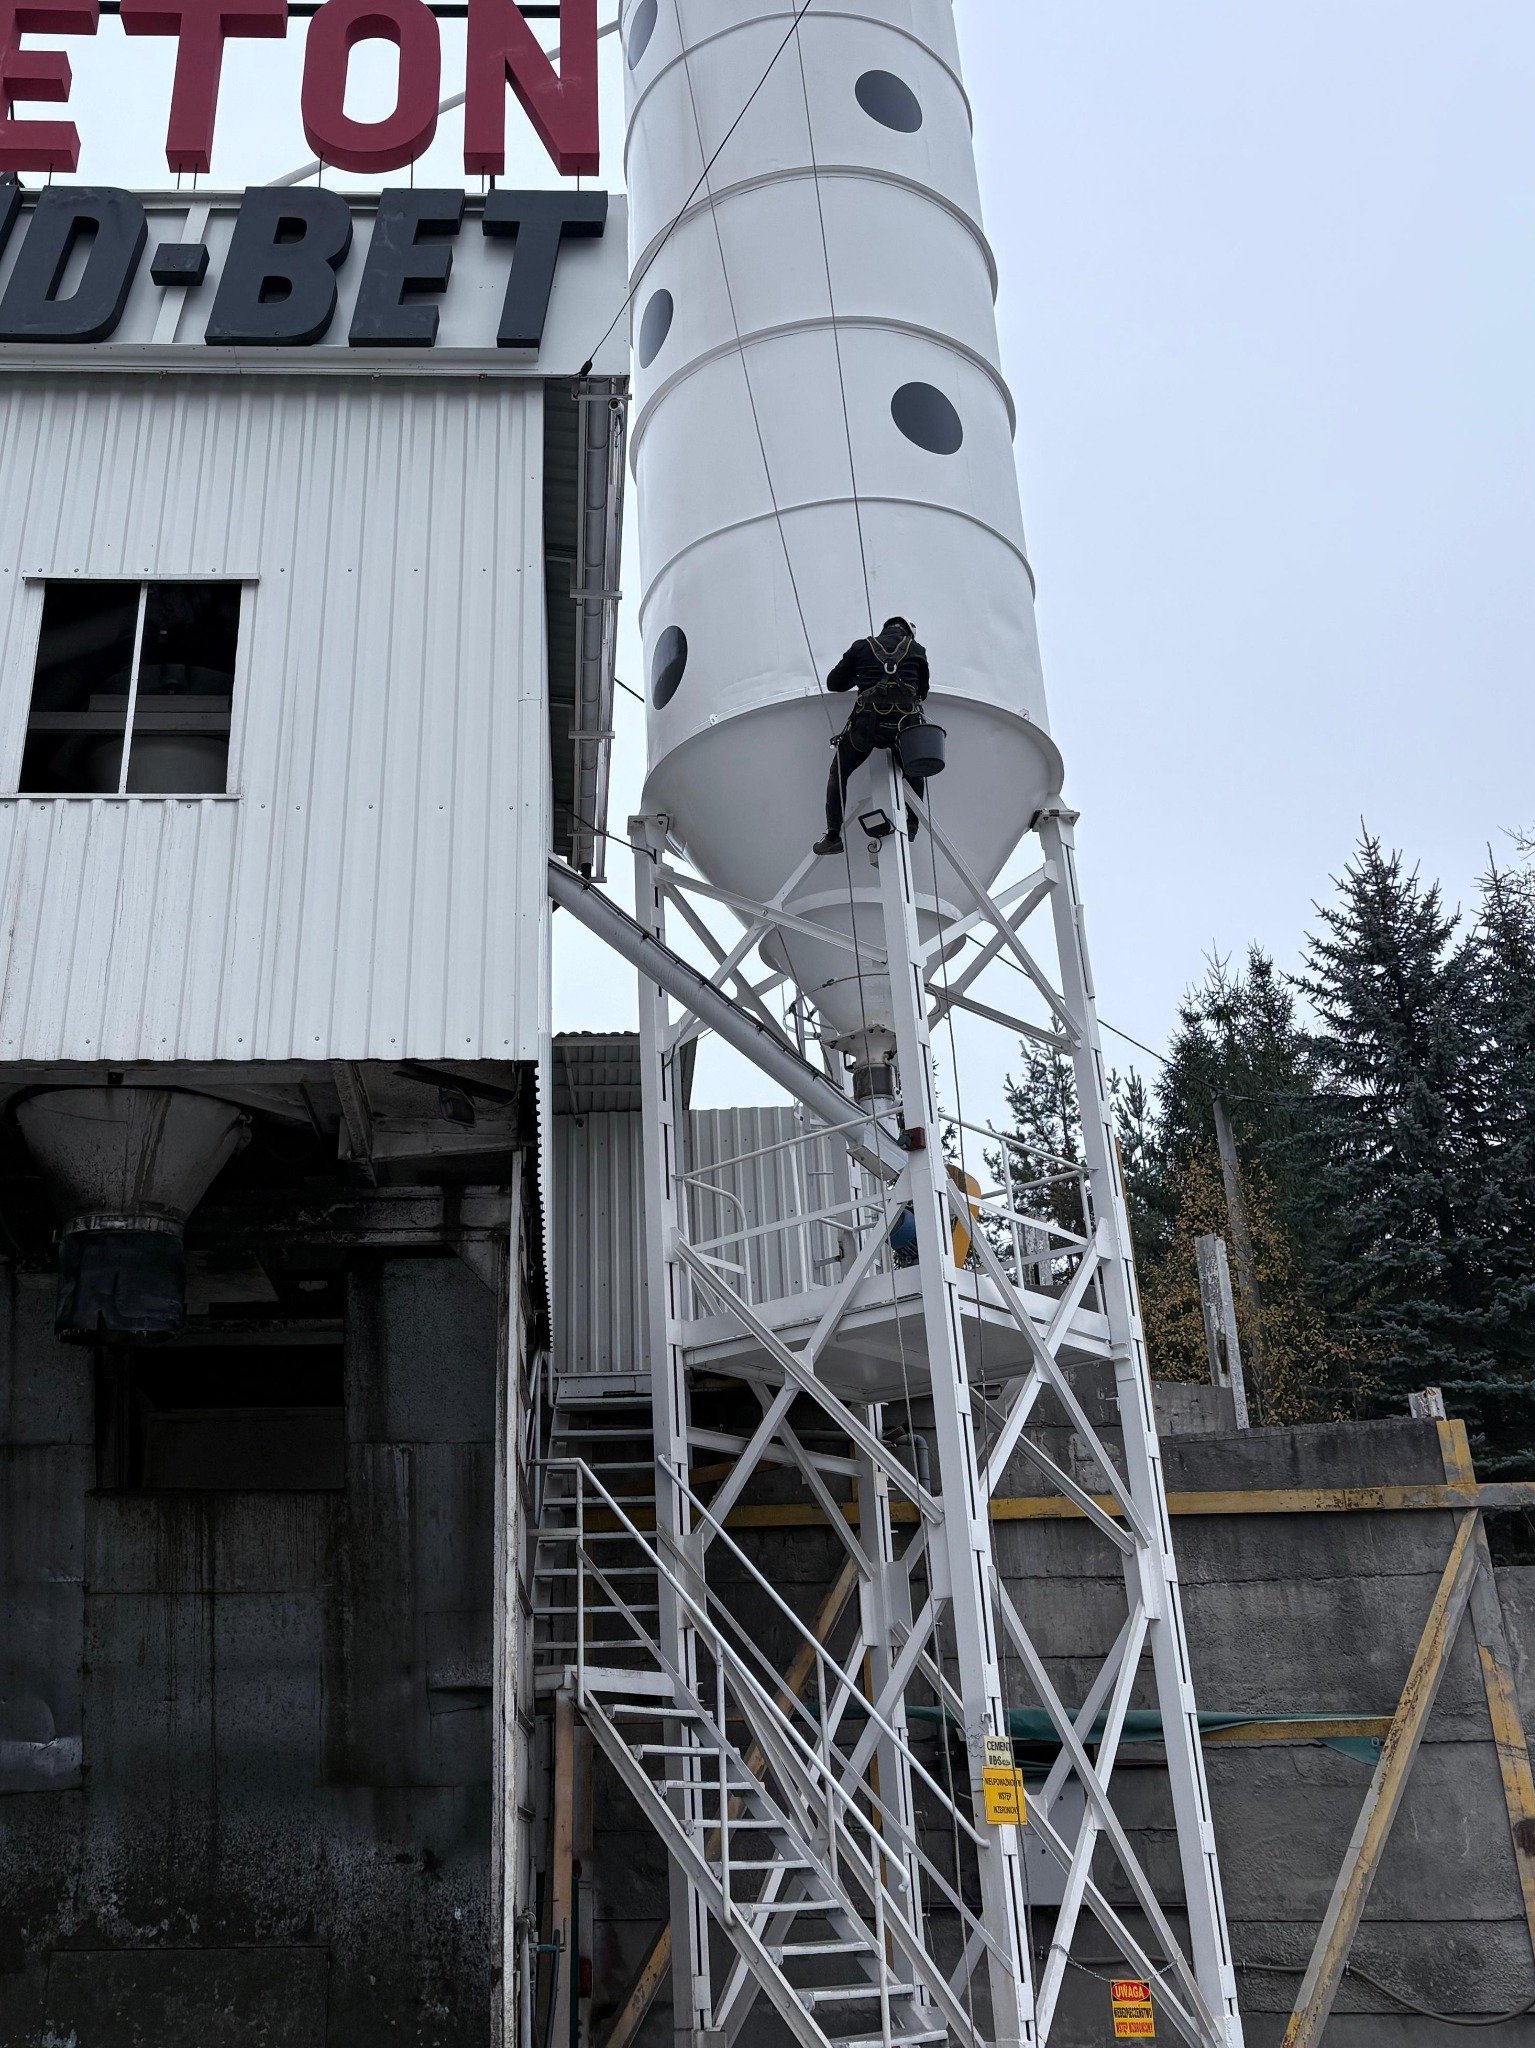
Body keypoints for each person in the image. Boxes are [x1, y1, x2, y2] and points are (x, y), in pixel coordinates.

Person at [813, 616, 930, 856]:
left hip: (867, 728)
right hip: (903, 728)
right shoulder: (917, 650)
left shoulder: (861, 647)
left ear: (884, 630)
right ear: (907, 634)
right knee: (914, 768)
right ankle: (912, 823)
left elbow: (834, 683)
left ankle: (833, 837)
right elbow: (923, 692)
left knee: (838, 773)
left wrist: (860, 677)